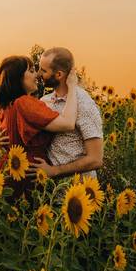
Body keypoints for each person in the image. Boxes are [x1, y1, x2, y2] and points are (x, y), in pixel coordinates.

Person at [0, 55, 79, 200]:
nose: (37, 75)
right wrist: (72, 88)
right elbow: (68, 123)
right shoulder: (26, 103)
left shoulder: (6, 106)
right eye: (32, 71)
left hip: (8, 171)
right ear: (18, 77)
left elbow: (11, 139)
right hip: (30, 175)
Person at [29, 47, 104, 180]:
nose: (39, 74)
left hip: (79, 193)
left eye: (44, 70)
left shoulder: (83, 103)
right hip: (48, 192)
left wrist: (54, 171)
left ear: (59, 75)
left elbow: (95, 159)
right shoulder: (45, 101)